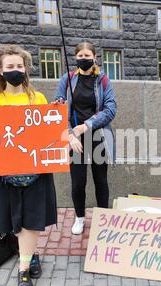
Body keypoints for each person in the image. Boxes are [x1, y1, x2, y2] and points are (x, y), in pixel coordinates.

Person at [0, 44, 57, 286]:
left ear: (26, 69)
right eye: (10, 67)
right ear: (0, 72)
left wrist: (56, 117)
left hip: (35, 172)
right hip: (7, 174)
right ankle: (31, 254)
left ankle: (23, 270)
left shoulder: (38, 99)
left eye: (19, 66)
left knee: (32, 219)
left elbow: (50, 135)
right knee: (17, 220)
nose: (16, 70)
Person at [54, 42, 117, 235]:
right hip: (75, 139)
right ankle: (80, 218)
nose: (83, 59)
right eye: (80, 56)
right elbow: (58, 110)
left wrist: (86, 125)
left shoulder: (103, 80)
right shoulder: (68, 79)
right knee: (78, 182)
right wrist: (70, 134)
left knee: (101, 180)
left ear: (94, 57)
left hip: (97, 135)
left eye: (87, 55)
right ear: (75, 58)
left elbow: (110, 109)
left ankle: (103, 219)